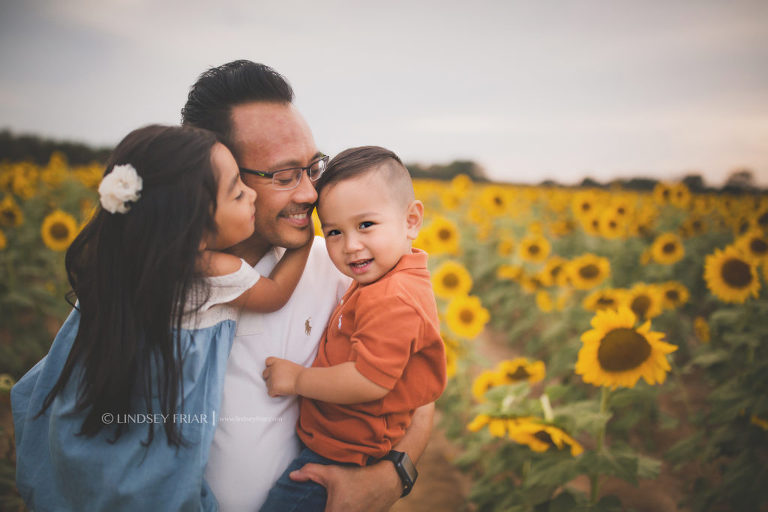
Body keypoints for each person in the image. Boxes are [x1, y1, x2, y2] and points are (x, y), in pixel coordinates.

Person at [11, 124, 312, 511]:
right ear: (193, 229)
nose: (252, 194)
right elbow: (275, 295)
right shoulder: (214, 269)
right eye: (238, 192)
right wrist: (303, 241)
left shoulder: (121, 262)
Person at [181, 60, 436, 511]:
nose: (310, 194)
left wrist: (393, 476)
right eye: (284, 176)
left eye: (311, 167)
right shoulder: (151, 282)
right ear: (216, 176)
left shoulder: (347, 269)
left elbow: (413, 394)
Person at [260, 146, 447, 511]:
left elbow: (369, 380)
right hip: (338, 443)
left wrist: (297, 380)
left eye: (365, 225)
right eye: (333, 232)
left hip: (341, 455)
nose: (351, 246)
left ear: (411, 220)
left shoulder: (393, 296)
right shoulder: (385, 278)